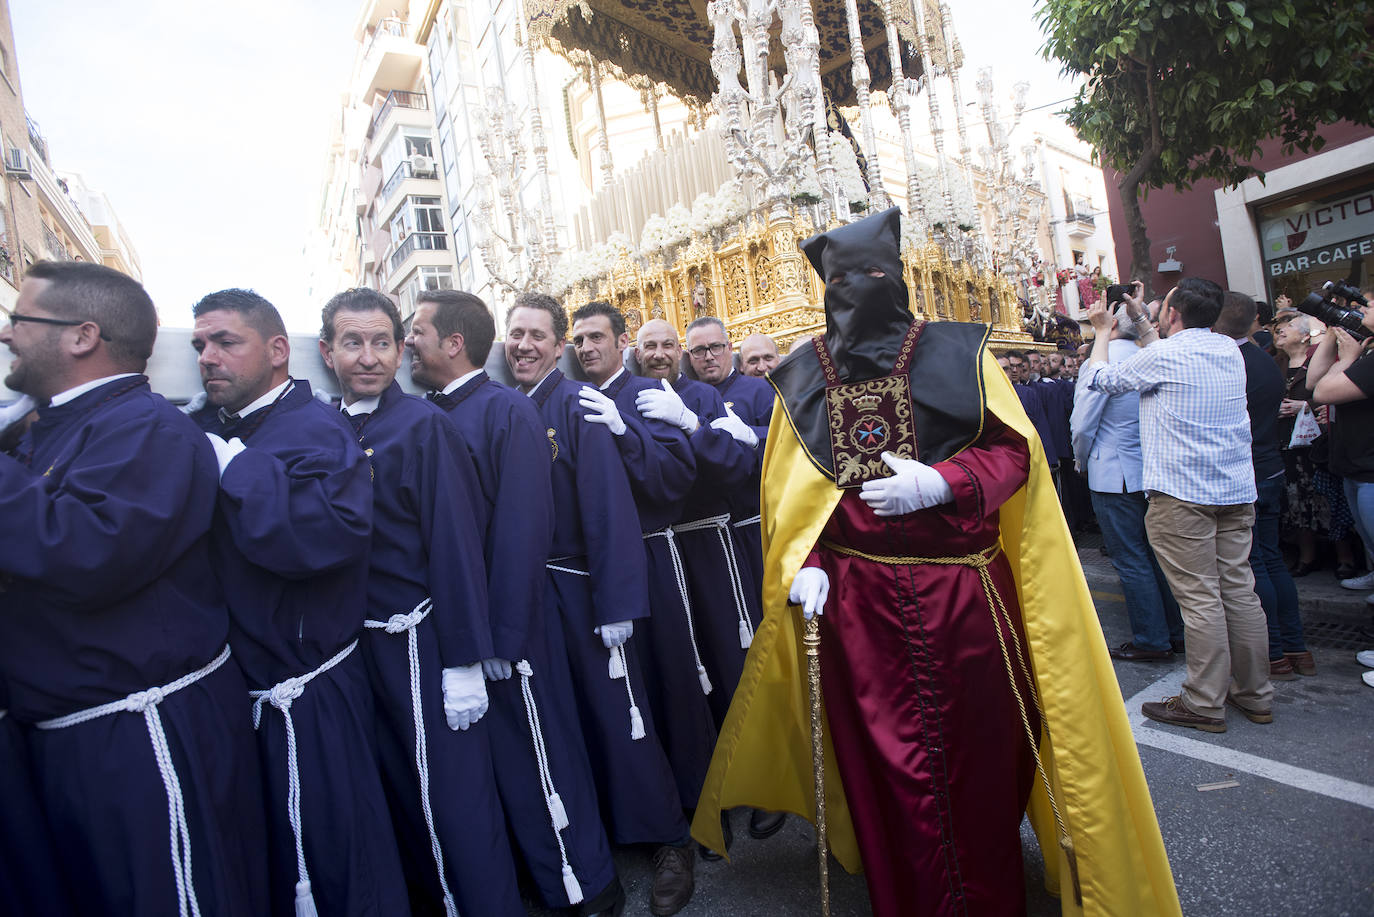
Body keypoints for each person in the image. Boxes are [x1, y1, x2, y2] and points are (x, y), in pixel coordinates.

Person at [693, 208, 1178, 917]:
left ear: (897, 277)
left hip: (966, 594)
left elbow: (1016, 452)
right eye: (843, 281)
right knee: (884, 763)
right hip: (856, 604)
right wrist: (808, 560)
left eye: (874, 274)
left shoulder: (961, 352)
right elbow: (795, 491)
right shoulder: (801, 376)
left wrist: (946, 482)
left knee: (986, 749)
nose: (860, 290)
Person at [0, 261, 267, 914]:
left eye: (19, 319)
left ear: (82, 335)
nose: (7, 335)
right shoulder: (51, 428)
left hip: (142, 739)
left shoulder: (147, 428)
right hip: (71, 738)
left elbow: (85, 553)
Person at [189, 289, 408, 916]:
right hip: (245, 689)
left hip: (310, 691)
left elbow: (328, 537)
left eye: (226, 342)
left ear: (279, 350)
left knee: (340, 856)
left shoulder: (315, 429)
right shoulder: (217, 426)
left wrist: (241, 474)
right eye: (199, 345)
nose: (208, 358)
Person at [408, 290, 622, 915]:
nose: (408, 341)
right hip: (465, 622)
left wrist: (502, 634)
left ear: (454, 342)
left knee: (542, 751)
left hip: (511, 626)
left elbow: (521, 530)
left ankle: (588, 883)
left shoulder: (506, 410)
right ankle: (543, 874)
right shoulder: (433, 413)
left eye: (416, 330)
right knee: (505, 761)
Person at [318, 288, 524, 917]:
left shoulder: (424, 426)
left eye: (382, 342)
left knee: (454, 798)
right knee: (399, 793)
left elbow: (455, 544)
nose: (369, 357)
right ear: (326, 352)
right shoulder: (327, 426)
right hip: (356, 647)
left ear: (399, 347)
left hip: (419, 642)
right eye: (353, 343)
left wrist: (464, 659)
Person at [506, 292, 696, 917]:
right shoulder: (513, 407)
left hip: (585, 585)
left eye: (538, 335)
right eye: (516, 334)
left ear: (556, 345)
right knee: (570, 722)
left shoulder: (577, 404)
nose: (525, 346)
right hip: (538, 595)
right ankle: (604, 837)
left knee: (623, 715)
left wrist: (615, 601)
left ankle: (670, 840)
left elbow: (608, 508)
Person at [1083, 278, 1273, 733]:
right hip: (1233, 492)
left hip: (1183, 497)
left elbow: (1098, 379)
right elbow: (1166, 350)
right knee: (1238, 592)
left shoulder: (1166, 356)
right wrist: (1141, 319)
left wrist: (1103, 331)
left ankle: (1204, 702)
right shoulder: (1228, 350)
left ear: (1173, 315)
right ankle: (1255, 694)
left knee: (1200, 598)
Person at [633, 317, 786, 849]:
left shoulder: (702, 396)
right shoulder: (631, 396)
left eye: (667, 345)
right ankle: (711, 787)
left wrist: (692, 424)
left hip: (715, 545)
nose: (659, 353)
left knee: (734, 661)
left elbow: (738, 467)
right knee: (688, 672)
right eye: (648, 346)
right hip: (665, 550)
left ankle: (766, 781)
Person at [569, 301, 718, 819]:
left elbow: (676, 477)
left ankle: (703, 809)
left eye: (596, 337)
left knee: (674, 678)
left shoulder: (645, 394)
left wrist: (624, 431)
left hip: (653, 553)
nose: (587, 347)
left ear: (621, 343)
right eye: (579, 339)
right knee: (628, 689)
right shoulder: (575, 398)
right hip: (597, 565)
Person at [1071, 302, 1184, 661]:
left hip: (1113, 472)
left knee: (1131, 558)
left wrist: (1081, 459)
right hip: (1149, 469)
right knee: (1154, 555)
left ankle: (1152, 638)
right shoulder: (1150, 354)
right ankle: (1174, 631)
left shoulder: (1102, 359)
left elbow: (1083, 422)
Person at [1215, 291, 1313, 679]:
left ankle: (1274, 653)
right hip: (1268, 467)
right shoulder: (1264, 359)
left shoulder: (1233, 362)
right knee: (1270, 560)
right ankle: (1296, 648)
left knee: (1255, 565)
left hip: (1250, 472)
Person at [1308, 293, 1374, 603]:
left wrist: (1346, 360)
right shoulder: (1366, 347)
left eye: (1370, 305)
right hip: (1353, 464)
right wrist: (1333, 331)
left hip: (1370, 469)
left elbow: (1323, 392)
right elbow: (1313, 379)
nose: (1364, 308)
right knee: (1368, 539)